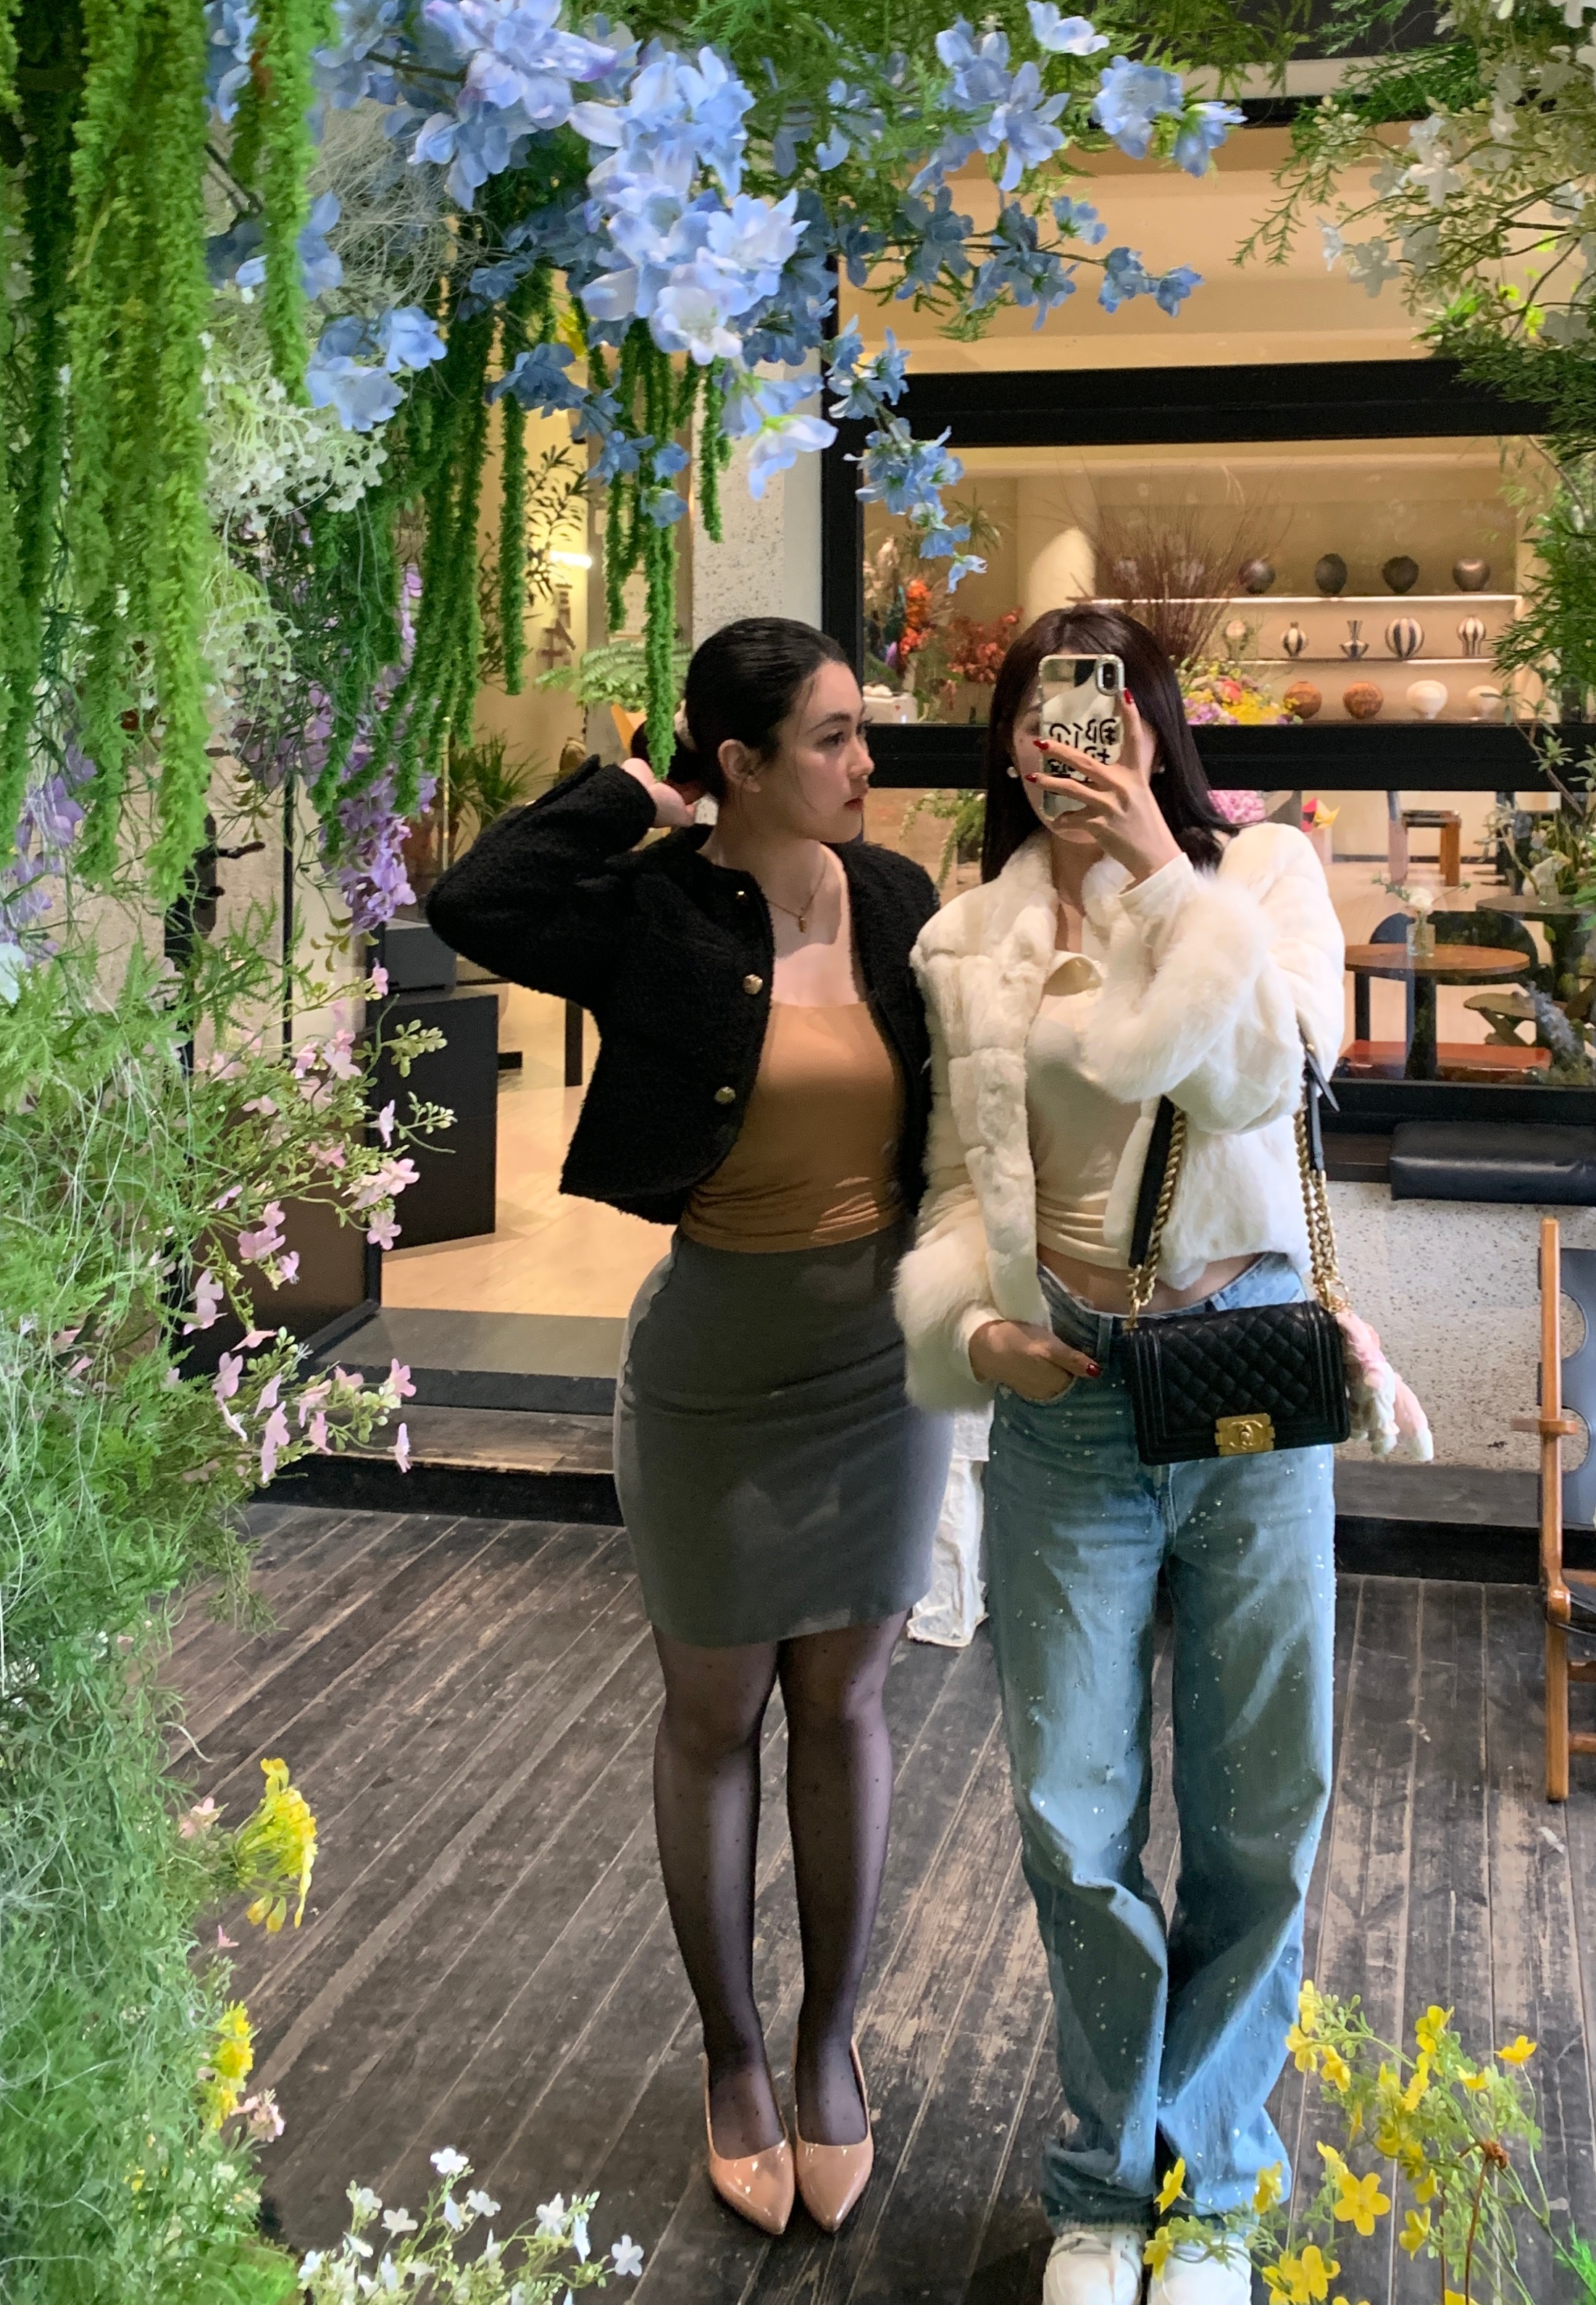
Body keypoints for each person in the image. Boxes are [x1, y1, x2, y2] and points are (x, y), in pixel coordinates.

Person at [425, 617, 948, 2242]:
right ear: (742, 762)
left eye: (860, 730)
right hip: (715, 1369)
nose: (864, 762)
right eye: (832, 736)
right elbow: (473, 898)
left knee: (845, 1705)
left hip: (879, 1368)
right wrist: (630, 797)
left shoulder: (896, 899)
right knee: (715, 1717)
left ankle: (826, 2043)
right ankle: (732, 2054)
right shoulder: (653, 909)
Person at [892, 606, 1347, 2305]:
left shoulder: (1263, 877)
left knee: (1260, 1808)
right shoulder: (968, 940)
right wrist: (970, 1326)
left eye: (1098, 706)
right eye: (1039, 711)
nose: (1067, 739)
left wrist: (1161, 870)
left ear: (1151, 722)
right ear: (1008, 742)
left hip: (1243, 1381)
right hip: (1067, 1392)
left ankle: (1206, 2190)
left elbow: (1266, 1078)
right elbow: (956, 1180)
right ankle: (1104, 2183)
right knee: (1067, 1816)